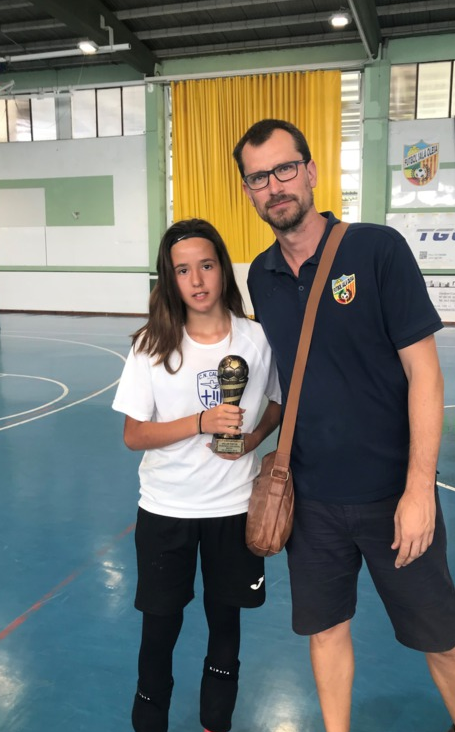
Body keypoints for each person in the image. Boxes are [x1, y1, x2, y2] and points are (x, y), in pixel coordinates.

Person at [232, 119, 455, 732]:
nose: (274, 186)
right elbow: (291, 381)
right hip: (310, 501)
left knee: (441, 636)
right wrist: (251, 437)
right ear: (248, 191)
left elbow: (425, 374)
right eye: (259, 178)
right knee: (325, 632)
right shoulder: (261, 276)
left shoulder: (376, 250)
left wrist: (419, 491)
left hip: (393, 494)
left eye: (285, 169)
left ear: (311, 172)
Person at [112, 217, 281, 732]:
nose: (197, 280)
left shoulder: (257, 339)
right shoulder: (152, 345)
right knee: (159, 630)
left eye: (206, 265)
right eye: (183, 270)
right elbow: (134, 434)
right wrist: (200, 422)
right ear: (170, 278)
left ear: (222, 269)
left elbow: (278, 401)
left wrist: (253, 438)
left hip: (233, 509)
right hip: (167, 510)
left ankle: (216, 723)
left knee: (225, 626)